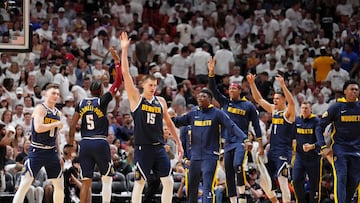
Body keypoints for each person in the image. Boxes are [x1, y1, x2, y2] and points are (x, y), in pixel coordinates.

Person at [119, 32, 184, 203]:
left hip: (159, 147)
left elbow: (169, 123)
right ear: (142, 85)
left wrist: (178, 142)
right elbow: (125, 73)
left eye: (155, 85)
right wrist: (124, 50)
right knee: (140, 183)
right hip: (143, 148)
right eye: (150, 85)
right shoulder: (136, 98)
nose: (153, 88)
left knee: (168, 182)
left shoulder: (161, 101)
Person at [172, 88, 251, 203]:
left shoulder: (217, 113)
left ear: (210, 99)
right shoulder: (194, 112)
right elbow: (178, 121)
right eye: (199, 96)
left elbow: (232, 126)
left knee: (207, 188)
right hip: (195, 158)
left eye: (203, 96)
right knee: (191, 189)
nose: (200, 98)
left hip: (210, 157)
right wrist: (167, 116)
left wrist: (245, 139)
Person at [68, 48, 123, 203]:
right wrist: (117, 63)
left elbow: (72, 125)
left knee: (86, 181)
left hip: (84, 143)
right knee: (107, 178)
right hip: (99, 141)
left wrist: (71, 144)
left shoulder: (81, 103)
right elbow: (118, 82)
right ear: (101, 90)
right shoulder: (102, 100)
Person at [208, 57, 263, 203]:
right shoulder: (225, 102)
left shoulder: (248, 106)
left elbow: (257, 126)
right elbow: (213, 90)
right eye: (230, 88)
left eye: (234, 88)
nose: (230, 90)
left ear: (240, 91)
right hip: (227, 141)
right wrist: (212, 73)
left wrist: (260, 144)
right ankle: (234, 200)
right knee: (229, 172)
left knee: (237, 164)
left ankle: (243, 194)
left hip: (241, 140)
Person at [247, 73, 296, 203]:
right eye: (274, 98)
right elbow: (259, 99)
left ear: (284, 100)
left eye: (278, 98)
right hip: (272, 150)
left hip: (283, 151)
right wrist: (252, 83)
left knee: (283, 182)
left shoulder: (289, 113)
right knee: (266, 181)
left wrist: (283, 85)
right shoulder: (274, 110)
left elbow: (292, 102)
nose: (275, 100)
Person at [12, 83, 64, 203]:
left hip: (52, 152)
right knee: (24, 184)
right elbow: (39, 127)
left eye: (57, 94)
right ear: (46, 94)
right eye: (53, 93)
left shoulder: (58, 113)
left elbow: (56, 135)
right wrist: (56, 124)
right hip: (38, 150)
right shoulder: (40, 108)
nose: (56, 96)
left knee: (60, 186)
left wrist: (59, 154)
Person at [316, 79, 360, 203]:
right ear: (345, 91)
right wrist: (323, 146)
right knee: (341, 177)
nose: (354, 92)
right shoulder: (336, 107)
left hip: (357, 150)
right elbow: (319, 127)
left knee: (354, 180)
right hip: (340, 149)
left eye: (356, 89)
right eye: (352, 89)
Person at [293, 101, 321, 203]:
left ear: (311, 110)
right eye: (303, 108)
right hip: (300, 157)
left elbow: (321, 141)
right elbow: (292, 136)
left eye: (306, 108)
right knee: (296, 180)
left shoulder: (316, 121)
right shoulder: (297, 120)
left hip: (313, 157)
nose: (304, 110)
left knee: (314, 184)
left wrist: (311, 146)